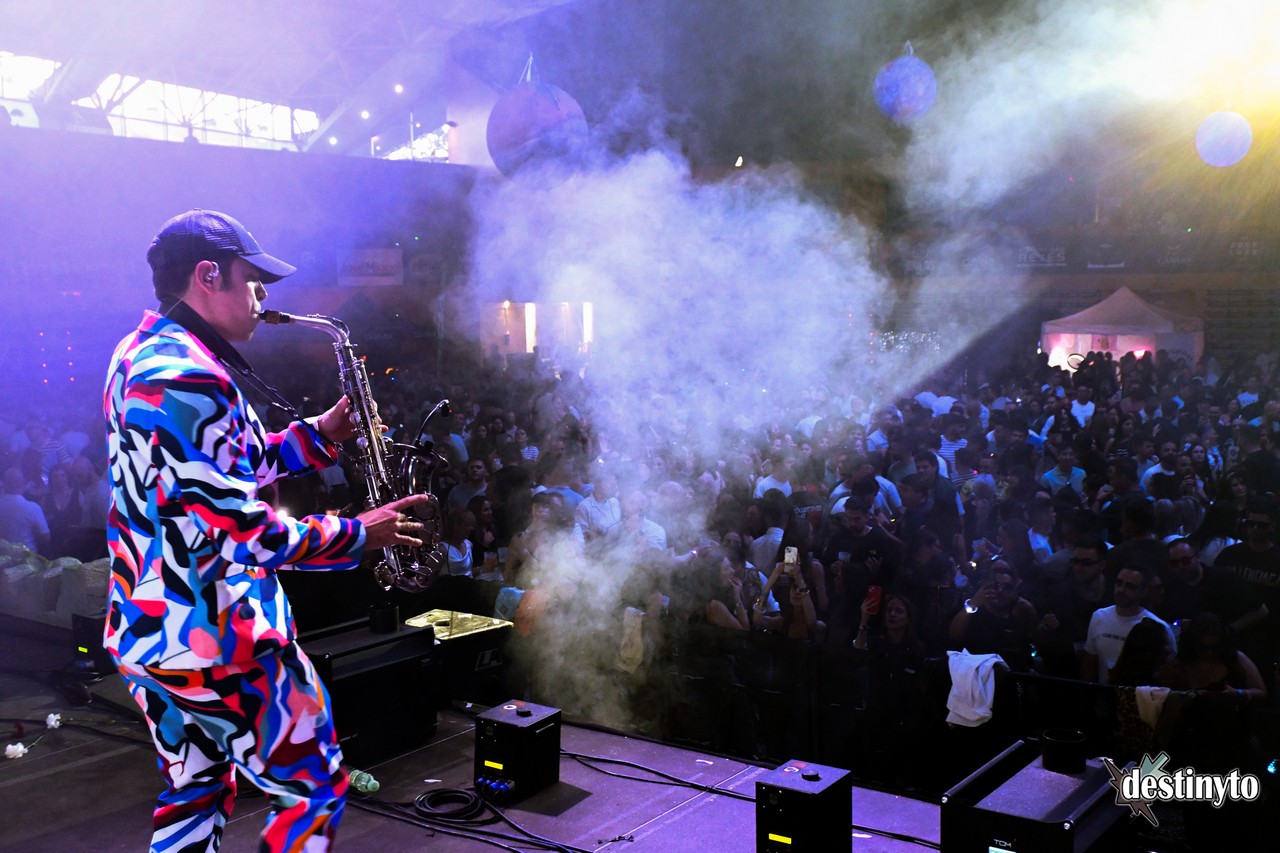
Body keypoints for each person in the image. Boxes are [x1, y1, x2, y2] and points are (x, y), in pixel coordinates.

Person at [104, 210, 431, 853]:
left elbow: (223, 469)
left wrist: (318, 435)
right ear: (208, 276)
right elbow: (240, 531)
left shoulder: (145, 354)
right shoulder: (185, 376)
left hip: (153, 634)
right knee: (312, 789)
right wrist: (357, 533)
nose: (263, 297)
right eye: (253, 280)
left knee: (194, 794)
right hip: (221, 638)